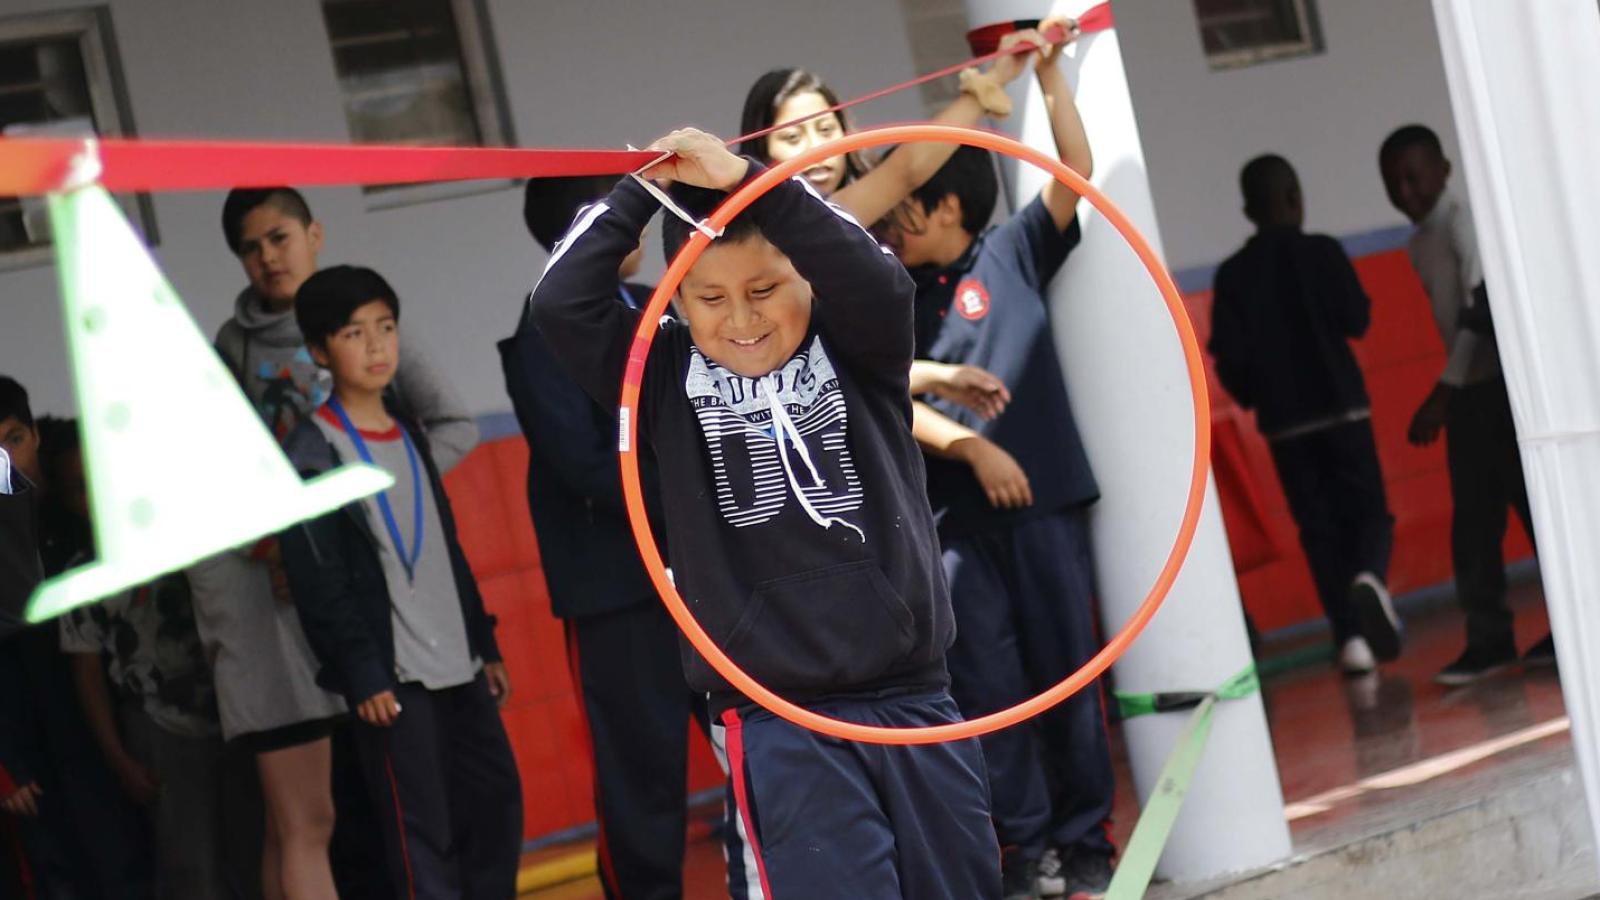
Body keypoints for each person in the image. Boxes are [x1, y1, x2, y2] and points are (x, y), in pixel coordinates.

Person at [532, 129, 1001, 898]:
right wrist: (645, 188)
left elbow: (875, 280)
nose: (740, 319)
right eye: (710, 298)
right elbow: (560, 301)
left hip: (912, 690)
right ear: (674, 300)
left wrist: (754, 180)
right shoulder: (659, 377)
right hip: (773, 713)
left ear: (806, 279)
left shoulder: (861, 343)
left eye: (764, 290)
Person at [876, 24, 1113, 899]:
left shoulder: (1011, 251)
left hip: (1044, 506)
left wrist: (1049, 79)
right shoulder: (889, 297)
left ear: (947, 207)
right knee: (990, 691)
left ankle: (1087, 838)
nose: (895, 215)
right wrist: (972, 454)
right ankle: (1023, 848)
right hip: (953, 525)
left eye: (910, 200)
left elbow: (1073, 172)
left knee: (1067, 675)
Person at [207, 186, 476, 899]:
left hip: (392, 607)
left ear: (314, 234)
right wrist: (286, 541)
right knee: (318, 815)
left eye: (280, 238)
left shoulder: (365, 317)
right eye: (251, 246)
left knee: (409, 799)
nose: (268, 257)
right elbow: (226, 471)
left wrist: (365, 511)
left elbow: (452, 425)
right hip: (284, 599)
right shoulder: (229, 349)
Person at [280, 265, 522, 899]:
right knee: (423, 837)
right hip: (395, 680)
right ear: (318, 352)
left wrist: (484, 642)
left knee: (495, 805)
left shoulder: (413, 434)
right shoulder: (313, 452)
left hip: (460, 665)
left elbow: (446, 551)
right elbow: (318, 579)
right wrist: (362, 672)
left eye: (386, 328)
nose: (377, 345)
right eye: (355, 333)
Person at [500, 175, 708, 900]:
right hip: (616, 587)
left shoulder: (654, 301)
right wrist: (688, 486)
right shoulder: (542, 326)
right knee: (642, 769)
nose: (641, 230)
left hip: (695, 569)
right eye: (621, 215)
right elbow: (585, 463)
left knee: (746, 740)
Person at [1209, 154, 1402, 675]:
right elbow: (1357, 319)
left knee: (1317, 530)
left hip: (1286, 426)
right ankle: (1370, 576)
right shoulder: (1324, 253)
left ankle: (1351, 640)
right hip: (1344, 409)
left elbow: (1228, 356)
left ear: (1247, 208)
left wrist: (1258, 395)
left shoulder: (1233, 276)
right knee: (1370, 515)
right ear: (1296, 198)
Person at [1378, 125, 1550, 685]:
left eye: (1415, 176)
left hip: (1501, 388)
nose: (1405, 191)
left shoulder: (1463, 222)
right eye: (1393, 183)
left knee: (1536, 511)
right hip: (1470, 392)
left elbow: (1484, 311)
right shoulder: (1417, 242)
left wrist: (1442, 393)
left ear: (1444, 171)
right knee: (1475, 524)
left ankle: (1571, 621)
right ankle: (1490, 640)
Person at [0, 384, 154, 899]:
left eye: (15, 439)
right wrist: (9, 766)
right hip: (40, 725)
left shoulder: (80, 498)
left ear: (35, 435)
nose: (7, 460)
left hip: (137, 705)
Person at [61, 563, 259, 899]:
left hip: (235, 711)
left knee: (255, 849)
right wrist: (119, 758)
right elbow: (87, 671)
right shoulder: (84, 570)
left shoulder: (178, 536)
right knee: (191, 867)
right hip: (158, 724)